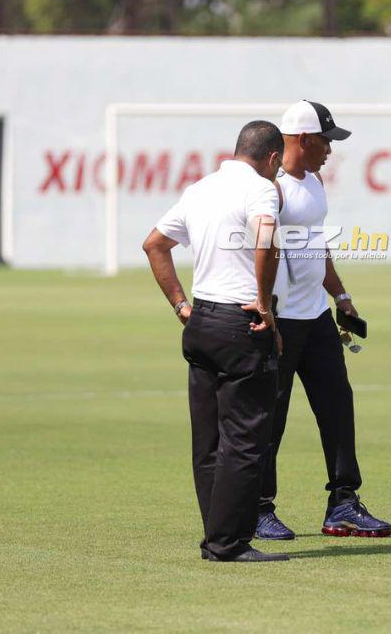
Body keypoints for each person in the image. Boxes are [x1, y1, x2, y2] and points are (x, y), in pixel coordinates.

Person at [142, 120, 288, 562]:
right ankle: (228, 543)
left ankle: (217, 535)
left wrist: (181, 307)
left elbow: (154, 245)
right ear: (273, 159)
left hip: (201, 320)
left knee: (207, 442)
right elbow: (266, 241)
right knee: (245, 440)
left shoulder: (199, 189)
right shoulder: (261, 188)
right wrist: (265, 305)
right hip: (240, 322)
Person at [256, 100, 391, 540]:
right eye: (325, 141)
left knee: (338, 406)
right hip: (280, 321)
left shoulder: (314, 182)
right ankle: (257, 508)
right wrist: (264, 311)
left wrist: (341, 295)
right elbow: (256, 252)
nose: (330, 150)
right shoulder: (270, 190)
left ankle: (344, 503)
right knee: (269, 418)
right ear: (300, 139)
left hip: (315, 316)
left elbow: (318, 246)